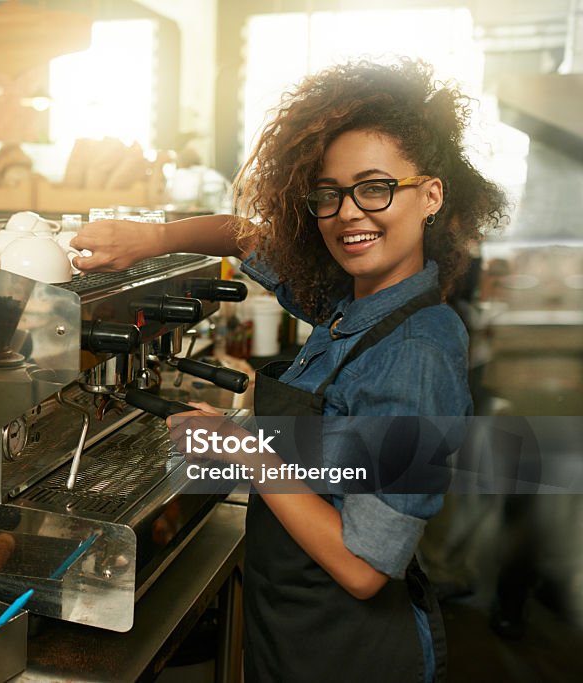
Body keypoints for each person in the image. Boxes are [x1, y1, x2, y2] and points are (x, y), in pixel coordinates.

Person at [70, 59, 507, 682]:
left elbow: (364, 567)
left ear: (430, 194)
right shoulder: (355, 305)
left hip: (354, 654)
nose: (349, 213)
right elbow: (248, 237)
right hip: (298, 634)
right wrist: (152, 240)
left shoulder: (415, 354)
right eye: (329, 194)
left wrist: (240, 449)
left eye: (376, 187)